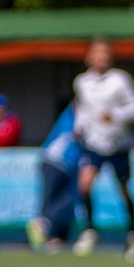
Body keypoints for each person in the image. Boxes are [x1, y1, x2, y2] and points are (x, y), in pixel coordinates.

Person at [70, 40, 134, 259]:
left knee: (123, 191)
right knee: (84, 184)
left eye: (105, 53)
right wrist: (78, 126)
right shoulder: (82, 82)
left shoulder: (120, 79)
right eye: (97, 53)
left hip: (118, 143)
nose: (101, 57)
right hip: (94, 143)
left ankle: (132, 234)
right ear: (89, 57)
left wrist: (115, 115)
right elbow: (83, 108)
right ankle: (89, 231)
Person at [27, 96, 80, 251]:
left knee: (67, 202)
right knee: (57, 201)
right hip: (56, 159)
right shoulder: (78, 110)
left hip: (70, 164)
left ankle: (56, 238)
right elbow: (79, 132)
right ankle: (43, 230)